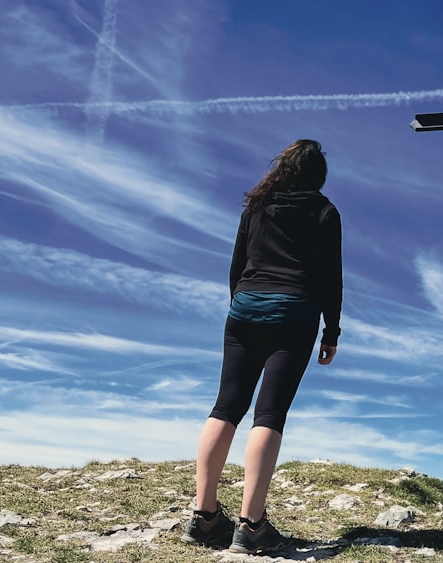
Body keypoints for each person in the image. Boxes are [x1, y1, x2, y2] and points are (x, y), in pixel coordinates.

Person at [181, 139, 343, 554]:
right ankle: (252, 526)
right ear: (318, 177)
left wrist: (243, 306)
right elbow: (330, 278)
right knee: (269, 414)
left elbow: (236, 266)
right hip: (294, 312)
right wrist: (331, 331)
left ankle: (204, 516)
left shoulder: (255, 207)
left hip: (245, 309)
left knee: (226, 407)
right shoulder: (324, 211)